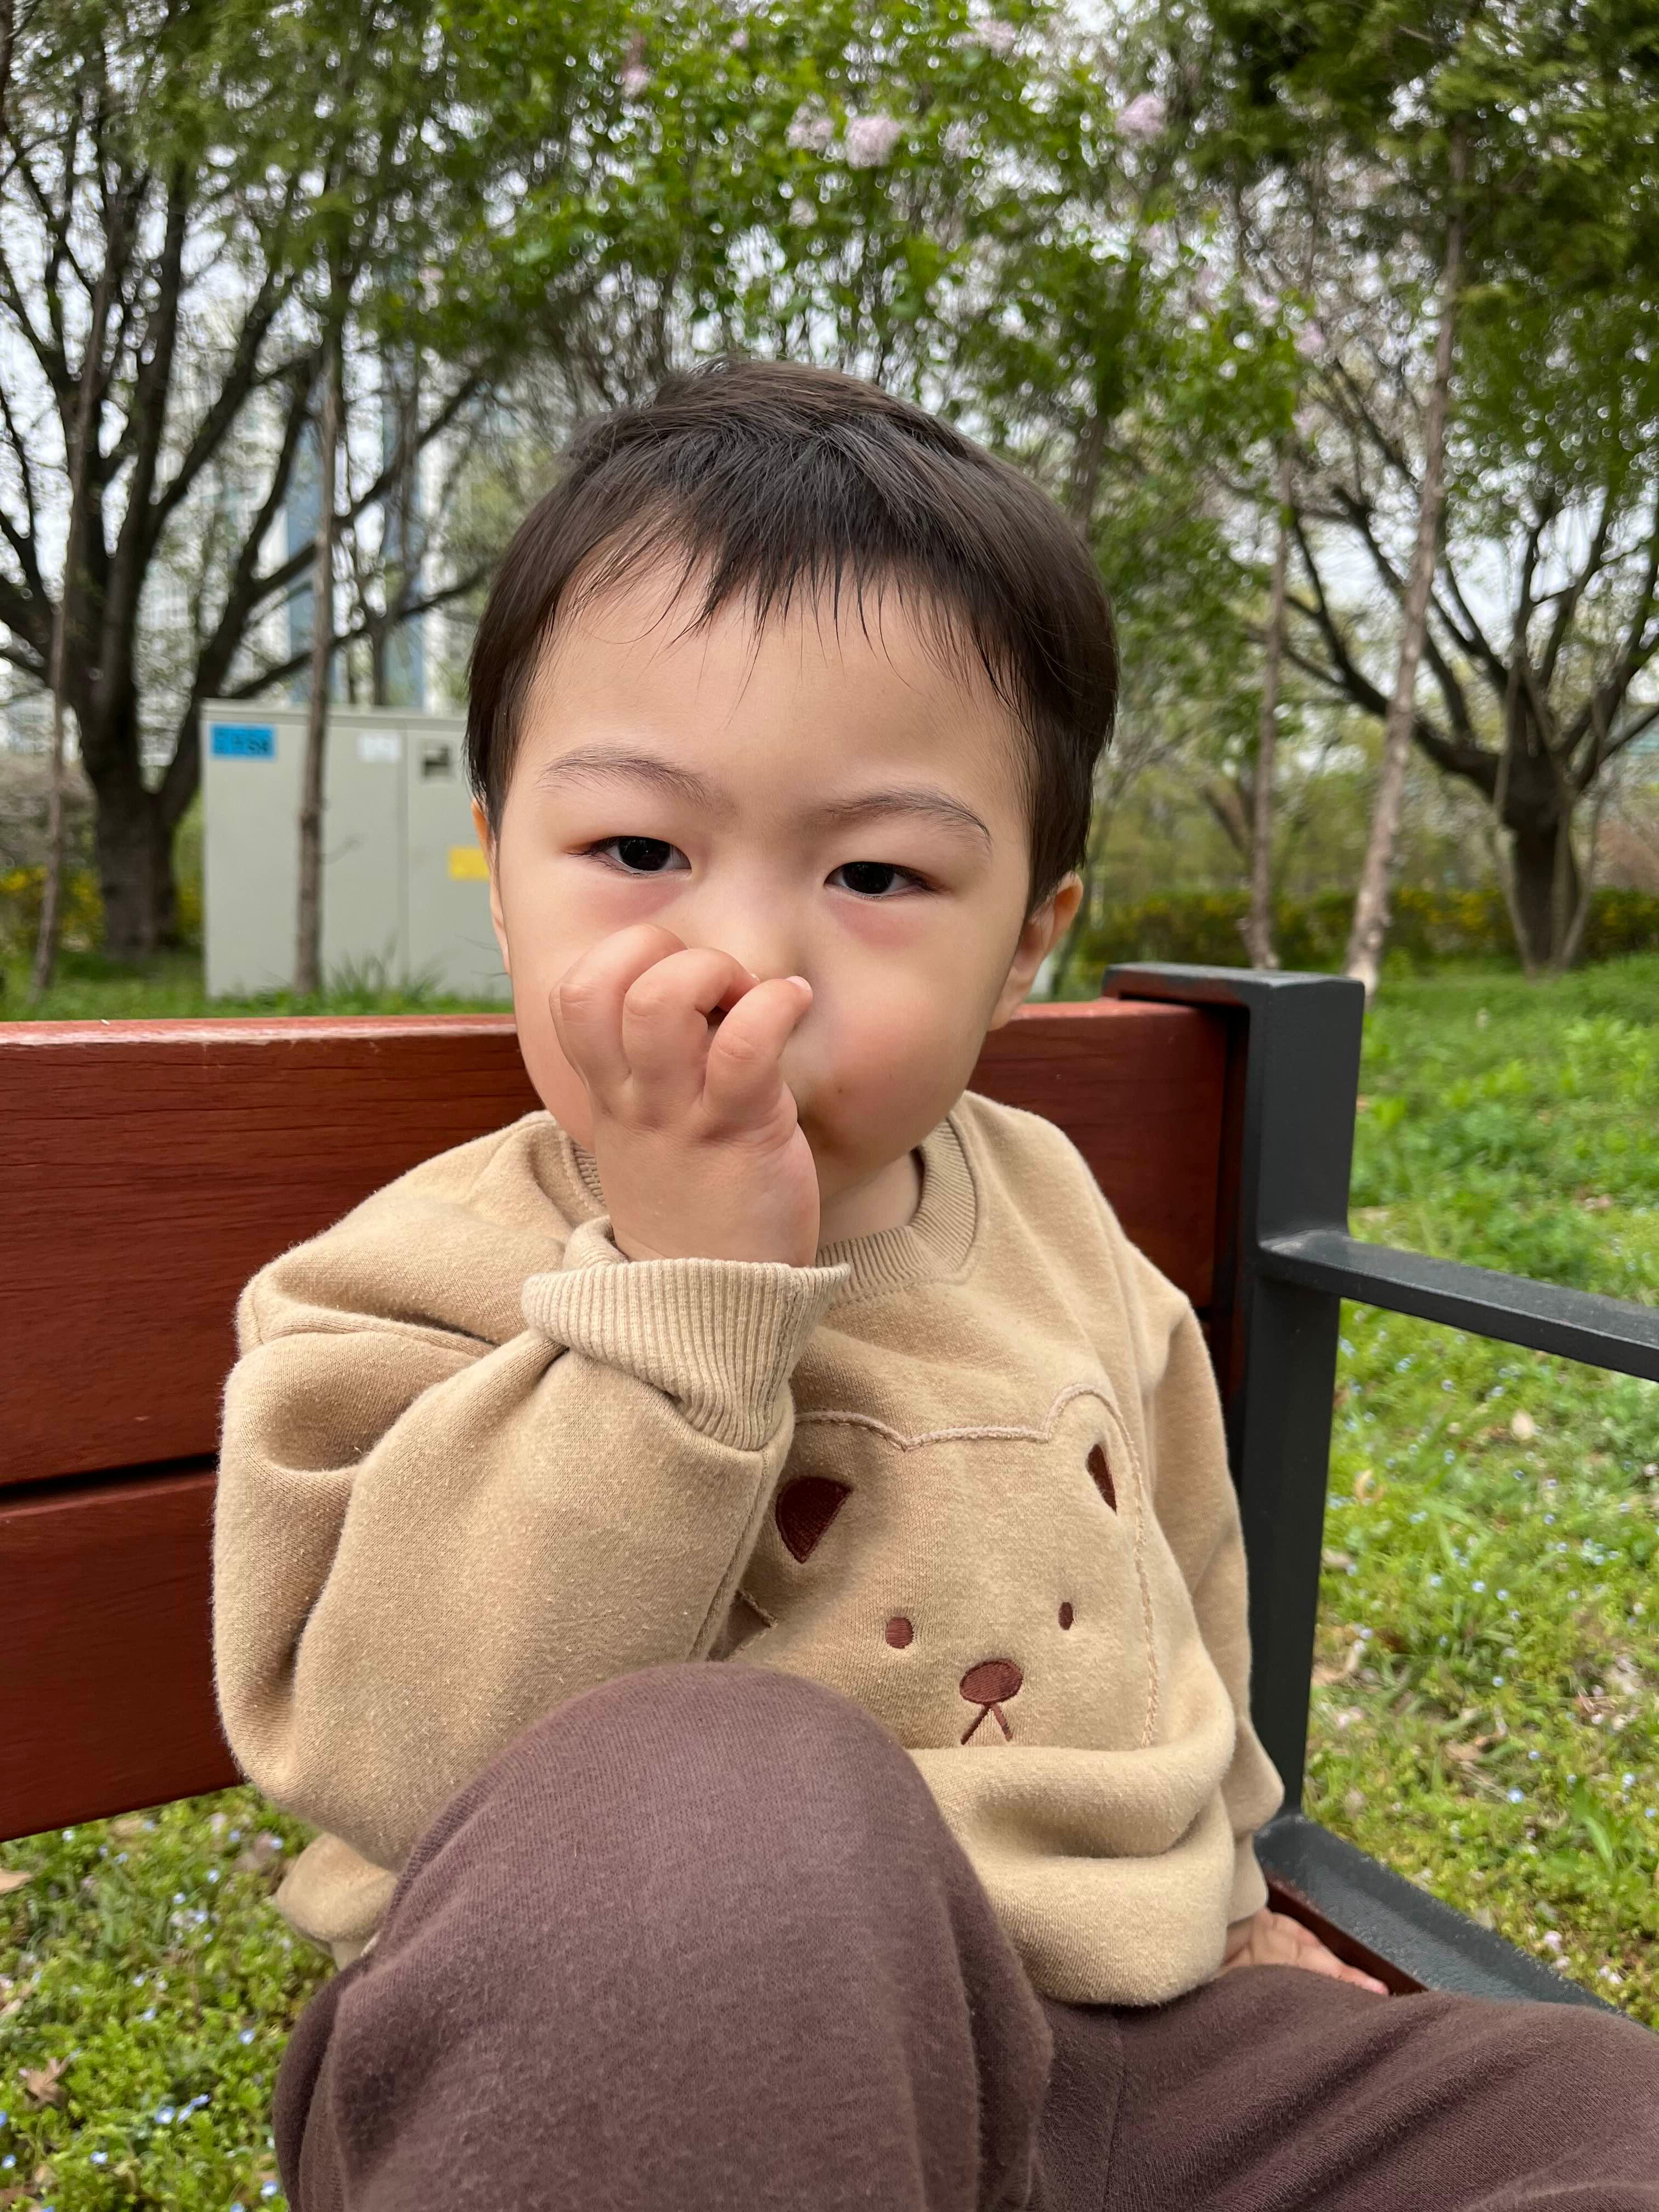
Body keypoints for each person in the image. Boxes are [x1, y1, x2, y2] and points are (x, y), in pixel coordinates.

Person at [213, 357, 1658, 2211]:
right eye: (637, 851)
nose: (741, 952)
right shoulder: (413, 1275)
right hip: (656, 2069)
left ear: (1031, 938)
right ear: (503, 876)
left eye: (880, 872)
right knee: (716, 1792)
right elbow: (383, 1750)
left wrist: (1232, 1880)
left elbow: (1179, 1597)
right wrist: (682, 1291)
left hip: (1138, 2061)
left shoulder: (1053, 1216)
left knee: (1592, 2103)